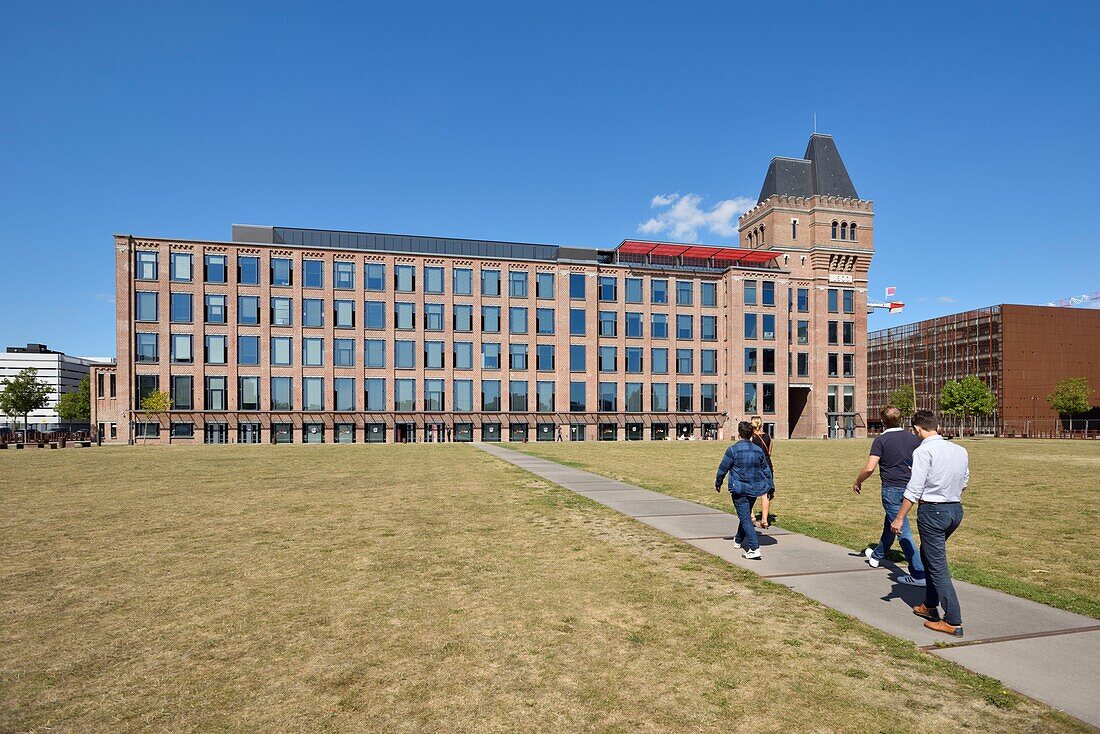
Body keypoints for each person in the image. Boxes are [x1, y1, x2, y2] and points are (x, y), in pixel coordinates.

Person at [891, 410, 969, 637]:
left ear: (917, 429)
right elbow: (964, 480)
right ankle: (929, 605)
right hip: (955, 509)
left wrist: (899, 517)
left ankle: (953, 620)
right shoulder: (959, 450)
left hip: (933, 511)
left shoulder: (923, 451)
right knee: (928, 554)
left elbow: (914, 489)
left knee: (937, 566)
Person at [852, 406, 926, 585]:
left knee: (902, 530)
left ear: (882, 422)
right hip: (911, 488)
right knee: (890, 523)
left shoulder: (881, 440)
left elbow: (870, 467)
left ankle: (919, 573)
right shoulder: (914, 438)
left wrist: (857, 481)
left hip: (892, 489)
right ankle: (877, 555)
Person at [715, 421, 774, 559]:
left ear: (739, 433)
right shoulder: (758, 450)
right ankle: (738, 539)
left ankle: (754, 548)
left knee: (745, 517)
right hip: (754, 488)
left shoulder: (733, 450)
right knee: (745, 514)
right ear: (752, 434)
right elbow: (766, 470)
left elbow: (723, 468)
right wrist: (770, 486)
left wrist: (718, 482)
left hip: (739, 488)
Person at [749, 416, 774, 529]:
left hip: (755, 466)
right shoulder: (768, 437)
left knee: (750, 491)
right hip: (767, 466)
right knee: (766, 493)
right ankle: (764, 520)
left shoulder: (751, 438)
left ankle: (752, 516)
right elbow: (769, 453)